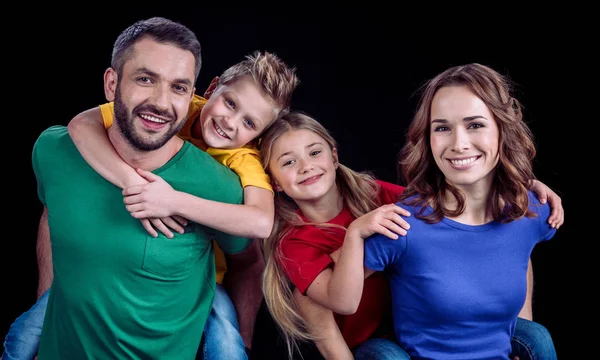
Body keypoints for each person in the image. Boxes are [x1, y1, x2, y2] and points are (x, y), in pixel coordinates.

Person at [2, 47, 299, 360]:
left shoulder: (242, 158)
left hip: (202, 279)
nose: (230, 122)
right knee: (26, 332)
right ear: (211, 88)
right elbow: (81, 125)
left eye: (249, 123)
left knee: (227, 338)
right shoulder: (173, 106)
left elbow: (261, 222)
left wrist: (173, 202)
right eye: (229, 103)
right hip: (109, 270)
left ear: (259, 136)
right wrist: (132, 182)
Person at [256, 111, 563, 359]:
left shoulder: (380, 196)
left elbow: (454, 202)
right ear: (276, 182)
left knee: (534, 336)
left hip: (433, 324)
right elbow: (324, 308)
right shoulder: (293, 242)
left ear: (334, 157)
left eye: (314, 152)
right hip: (373, 344)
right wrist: (355, 234)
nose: (306, 166)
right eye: (289, 162)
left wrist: (519, 185)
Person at [328, 63, 560, 359]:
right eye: (442, 128)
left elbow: (519, 254)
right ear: (428, 137)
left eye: (475, 125)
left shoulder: (532, 210)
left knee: (538, 337)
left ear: (503, 129)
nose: (459, 144)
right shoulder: (403, 225)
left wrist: (521, 333)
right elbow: (316, 290)